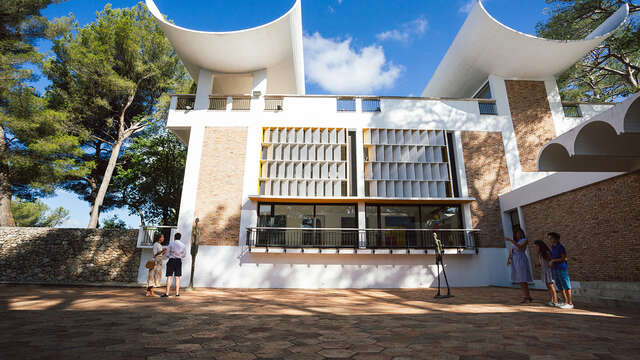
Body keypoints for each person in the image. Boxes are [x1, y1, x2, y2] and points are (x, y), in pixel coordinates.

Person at [506, 226, 533, 303]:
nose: (519, 234)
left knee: (523, 278)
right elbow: (511, 251)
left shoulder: (524, 240)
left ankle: (527, 296)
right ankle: (526, 296)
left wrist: (510, 240)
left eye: (520, 233)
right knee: (520, 280)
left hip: (521, 259)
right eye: (517, 233)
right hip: (515, 260)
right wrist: (509, 259)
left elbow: (520, 247)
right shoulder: (514, 241)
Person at [548, 232, 573, 309]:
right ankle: (565, 302)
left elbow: (563, 258)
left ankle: (570, 303)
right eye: (549, 238)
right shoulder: (553, 247)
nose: (550, 240)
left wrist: (553, 261)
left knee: (566, 285)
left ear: (556, 239)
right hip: (555, 268)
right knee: (559, 285)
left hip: (562, 268)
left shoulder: (560, 247)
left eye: (551, 238)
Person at [534, 240, 558, 306]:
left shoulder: (547, 253)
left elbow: (551, 261)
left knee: (551, 285)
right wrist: (538, 265)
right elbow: (543, 263)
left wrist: (552, 265)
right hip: (544, 271)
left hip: (549, 271)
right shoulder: (540, 254)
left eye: (537, 246)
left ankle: (556, 300)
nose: (536, 247)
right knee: (548, 286)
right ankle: (551, 299)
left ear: (540, 246)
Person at [162, 232, 186, 298]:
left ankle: (167, 293)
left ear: (174, 237)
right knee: (177, 277)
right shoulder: (183, 245)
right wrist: (179, 255)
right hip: (178, 261)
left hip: (171, 260)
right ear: (180, 238)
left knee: (169, 276)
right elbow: (184, 255)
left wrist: (171, 255)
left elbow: (167, 254)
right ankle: (177, 294)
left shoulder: (171, 244)